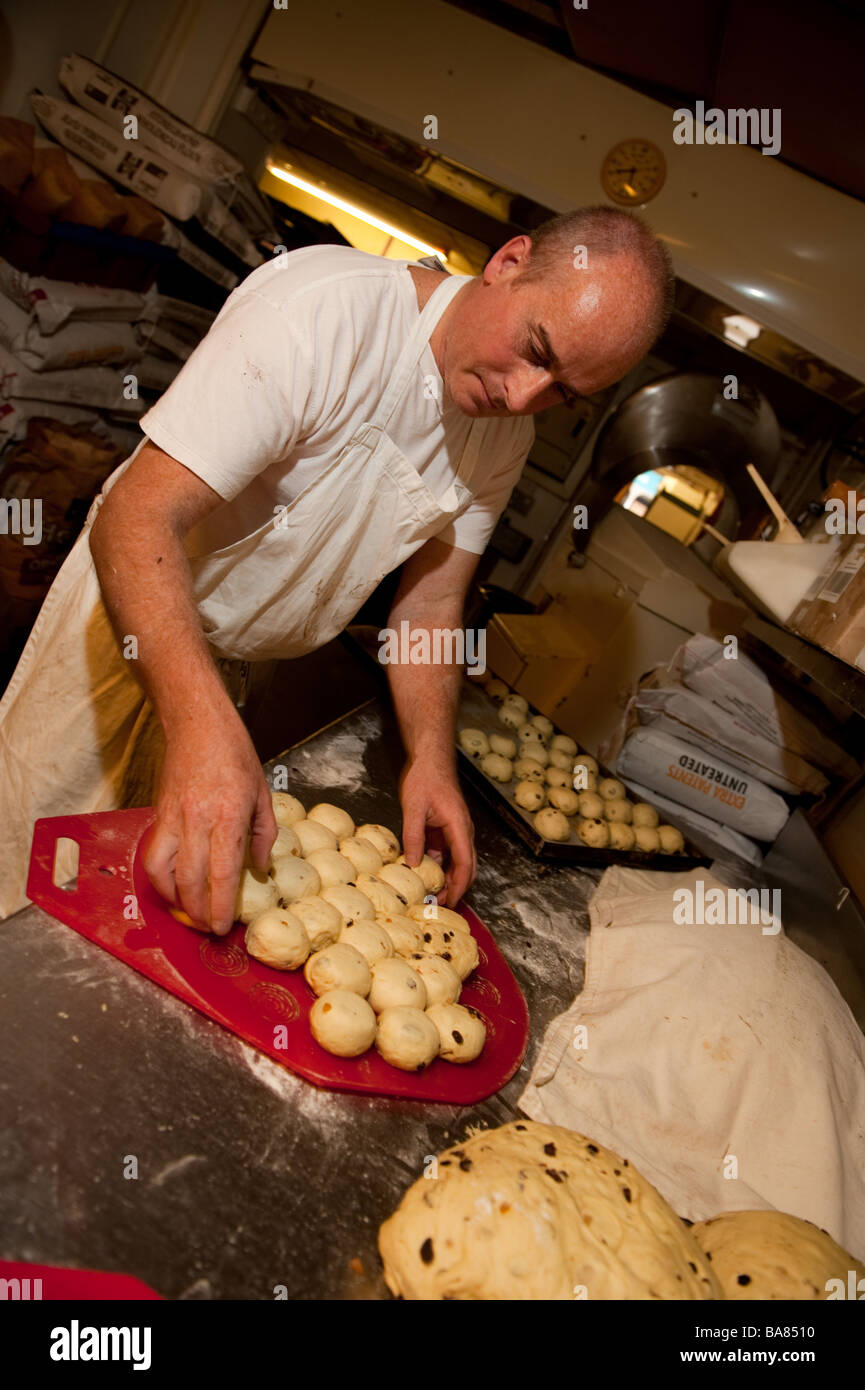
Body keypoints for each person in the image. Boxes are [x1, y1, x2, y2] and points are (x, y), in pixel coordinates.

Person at [0, 206, 674, 928]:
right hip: (130, 626)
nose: (522, 397)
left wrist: (431, 760)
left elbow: (429, 609)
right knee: (31, 868)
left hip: (238, 670)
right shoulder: (321, 313)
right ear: (507, 262)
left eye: (564, 394)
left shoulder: (503, 439)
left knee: (143, 903)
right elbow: (135, 518)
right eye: (535, 350)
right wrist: (202, 724)